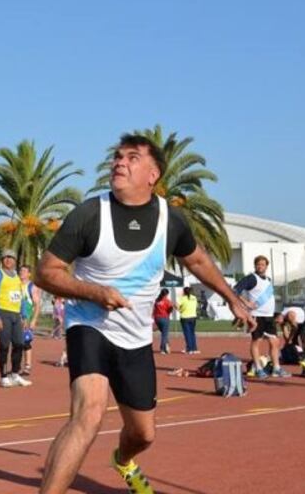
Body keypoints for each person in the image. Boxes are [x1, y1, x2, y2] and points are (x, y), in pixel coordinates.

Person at [34, 133, 256, 494]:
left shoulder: (171, 220)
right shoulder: (91, 214)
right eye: (117, 157)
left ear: (153, 175)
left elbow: (197, 258)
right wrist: (94, 292)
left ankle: (122, 459)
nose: (119, 162)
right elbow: (46, 272)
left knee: (143, 434)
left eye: (132, 157)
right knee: (88, 415)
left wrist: (231, 297)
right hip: (89, 325)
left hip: (135, 339)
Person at [234, 256, 289, 379]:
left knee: (275, 342)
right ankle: (258, 369)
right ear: (255, 266)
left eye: (263, 264)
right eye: (258, 264)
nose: (260, 266)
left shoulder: (268, 279)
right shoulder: (251, 278)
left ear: (266, 266)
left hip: (269, 316)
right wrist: (246, 302)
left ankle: (276, 368)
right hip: (257, 316)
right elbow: (235, 290)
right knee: (257, 342)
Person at [0, 250, 32, 388]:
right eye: (5, 257)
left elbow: (22, 298)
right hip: (3, 313)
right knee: (4, 345)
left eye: (11, 257)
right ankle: (3, 376)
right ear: (2, 260)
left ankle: (15, 374)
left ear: (15, 260)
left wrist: (24, 316)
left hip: (16, 315)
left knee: (19, 344)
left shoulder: (17, 277)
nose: (8, 260)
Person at [20, 265, 42, 375]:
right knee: (16, 342)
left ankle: (27, 366)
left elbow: (37, 305)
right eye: (21, 271)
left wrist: (33, 320)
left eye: (24, 271)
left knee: (26, 342)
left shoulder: (32, 287)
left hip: (27, 319)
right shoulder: (16, 284)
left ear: (29, 274)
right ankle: (16, 366)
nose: (22, 273)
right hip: (16, 318)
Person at [178, 286, 200, 354]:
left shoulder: (182, 298)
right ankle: (194, 348)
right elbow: (197, 306)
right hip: (193, 316)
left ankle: (189, 348)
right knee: (192, 333)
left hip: (185, 317)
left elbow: (177, 305)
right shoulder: (194, 298)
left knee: (187, 333)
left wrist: (180, 310)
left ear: (184, 292)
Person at [151, 289, 172, 355]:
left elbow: (154, 310)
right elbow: (170, 308)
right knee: (164, 334)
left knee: (163, 333)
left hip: (157, 318)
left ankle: (167, 345)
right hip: (164, 318)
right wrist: (168, 312)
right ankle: (163, 348)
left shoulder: (157, 301)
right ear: (166, 294)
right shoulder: (167, 301)